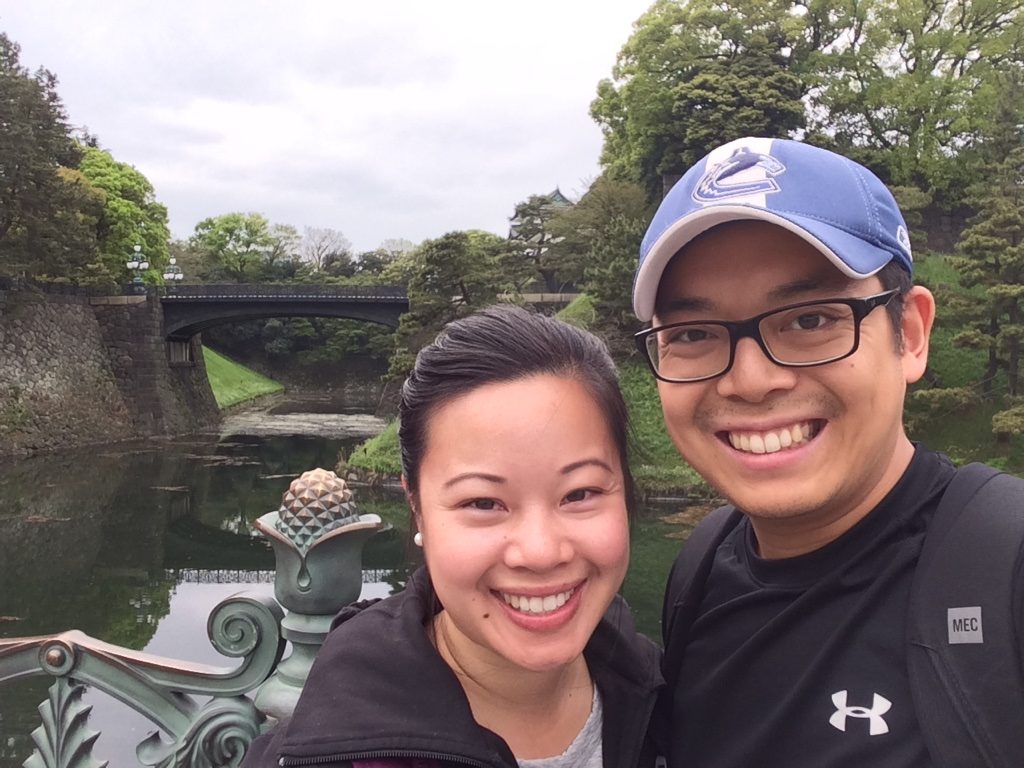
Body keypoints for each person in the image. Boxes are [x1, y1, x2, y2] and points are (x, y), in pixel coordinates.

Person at [631, 136, 1024, 767]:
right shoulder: (700, 572)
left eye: (811, 319)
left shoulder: (1009, 574)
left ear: (911, 334)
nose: (752, 381)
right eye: (694, 334)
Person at [243, 304, 663, 768]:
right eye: (483, 503)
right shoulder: (339, 751)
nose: (541, 552)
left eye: (579, 493)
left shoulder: (670, 694)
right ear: (417, 508)